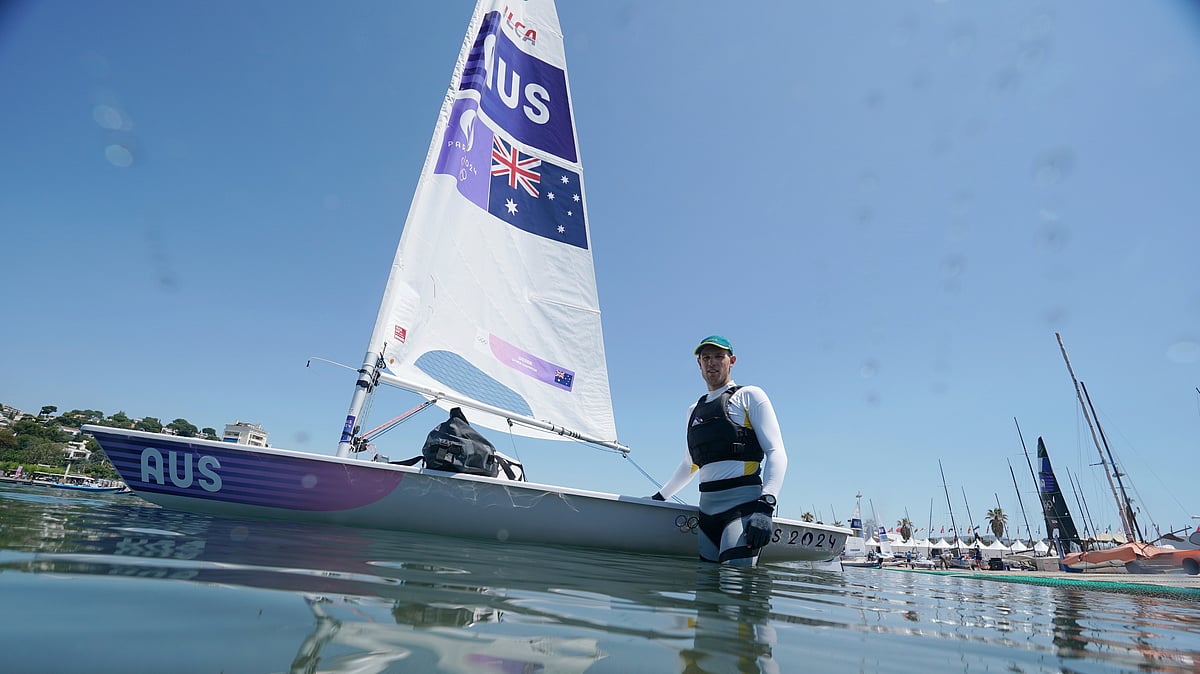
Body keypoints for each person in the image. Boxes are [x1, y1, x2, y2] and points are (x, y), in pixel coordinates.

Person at [651, 335, 789, 566]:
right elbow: (689, 464)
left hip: (743, 508)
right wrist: (659, 497)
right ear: (699, 364)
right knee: (706, 593)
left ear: (731, 360)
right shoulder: (693, 410)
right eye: (706, 358)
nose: (711, 362)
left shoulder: (750, 396)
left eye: (718, 356)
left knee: (733, 589)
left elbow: (776, 451)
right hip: (707, 513)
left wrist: (766, 506)